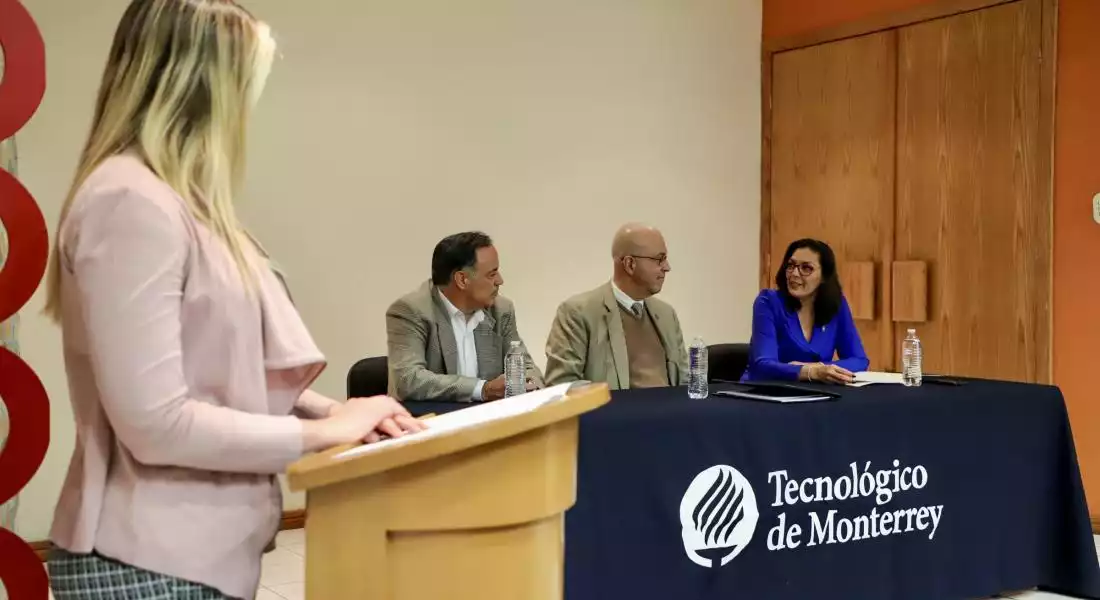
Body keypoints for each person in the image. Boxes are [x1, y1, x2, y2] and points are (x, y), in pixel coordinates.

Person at [40, 2, 425, 598]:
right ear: (203, 87)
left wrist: (335, 412)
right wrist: (323, 434)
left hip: (188, 558)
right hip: (145, 565)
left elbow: (221, 373)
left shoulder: (181, 202)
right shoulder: (128, 201)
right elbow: (156, 424)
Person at [386, 231, 544, 402]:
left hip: (487, 416)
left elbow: (528, 369)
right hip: (430, 416)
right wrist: (483, 389)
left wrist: (529, 384)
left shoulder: (501, 310)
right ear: (462, 280)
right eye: (492, 274)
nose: (500, 280)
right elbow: (408, 379)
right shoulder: (411, 311)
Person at [544, 223, 688, 390]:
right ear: (630, 264)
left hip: (673, 407)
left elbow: (686, 382)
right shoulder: (578, 313)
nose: (667, 267)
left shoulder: (667, 315)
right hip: (612, 407)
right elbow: (562, 385)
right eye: (659, 259)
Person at [742, 238, 869, 384]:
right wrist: (811, 372)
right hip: (763, 392)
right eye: (791, 266)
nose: (795, 274)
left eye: (806, 268)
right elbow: (763, 366)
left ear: (824, 276)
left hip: (814, 391)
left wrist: (815, 369)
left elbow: (860, 360)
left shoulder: (837, 305)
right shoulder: (768, 302)